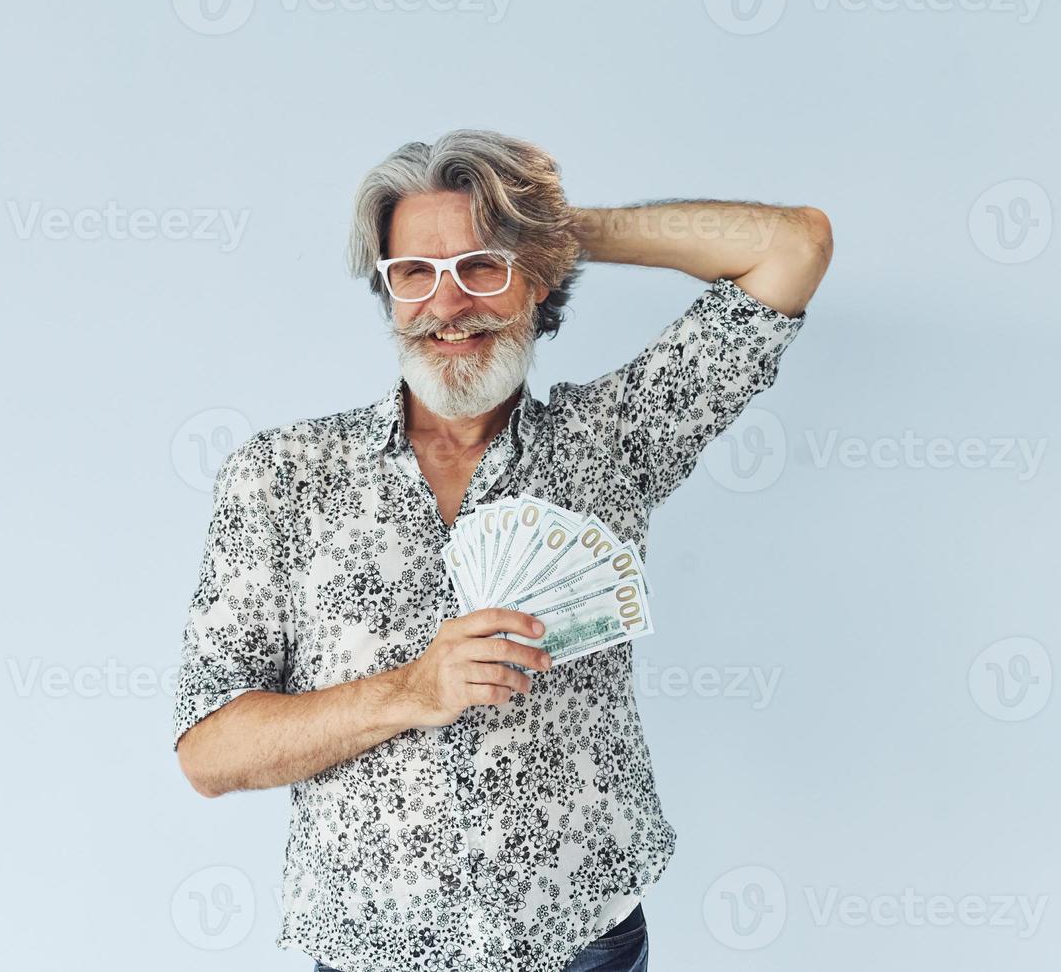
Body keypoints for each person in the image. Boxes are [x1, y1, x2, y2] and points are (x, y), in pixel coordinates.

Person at [171, 129, 832, 972]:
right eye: (416, 272)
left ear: (537, 281)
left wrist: (554, 229)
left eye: (483, 266)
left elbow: (794, 245)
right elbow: (209, 753)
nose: (449, 305)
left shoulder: (613, 442)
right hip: (369, 949)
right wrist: (412, 689)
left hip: (580, 942)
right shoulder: (280, 477)